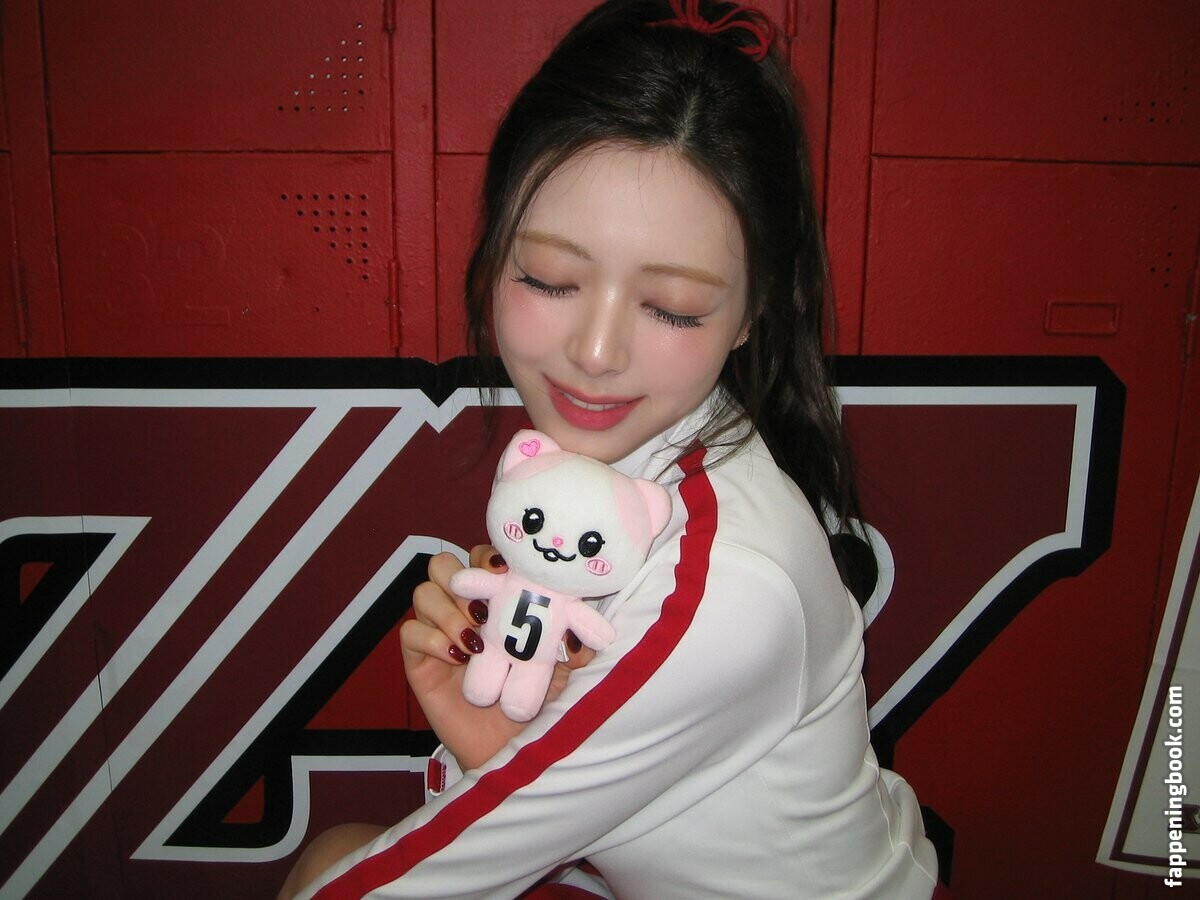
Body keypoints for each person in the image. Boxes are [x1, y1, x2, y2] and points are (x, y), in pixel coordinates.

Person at [280, 1, 938, 896]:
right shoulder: (646, 463)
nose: (595, 354)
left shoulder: (728, 585)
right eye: (550, 279)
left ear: (753, 313)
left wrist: (505, 777)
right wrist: (495, 747)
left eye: (672, 307)